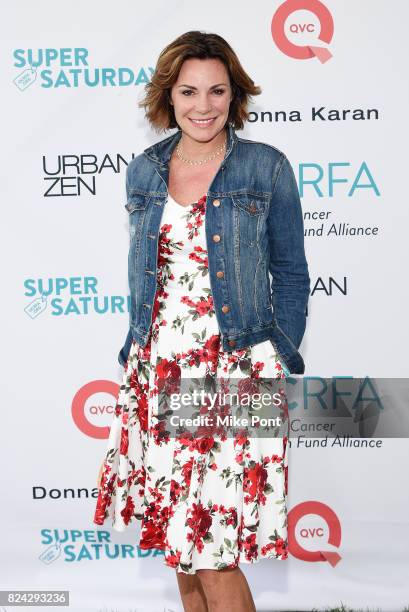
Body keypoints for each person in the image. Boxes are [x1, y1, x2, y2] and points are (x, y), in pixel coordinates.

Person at [93, 30, 310, 612]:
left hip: (236, 372)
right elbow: (147, 276)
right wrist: (135, 356)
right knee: (183, 546)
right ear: (169, 95)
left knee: (214, 552)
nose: (203, 105)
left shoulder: (265, 168)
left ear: (233, 95)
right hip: (159, 369)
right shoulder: (144, 171)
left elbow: (291, 272)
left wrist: (275, 355)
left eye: (217, 91)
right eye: (189, 91)